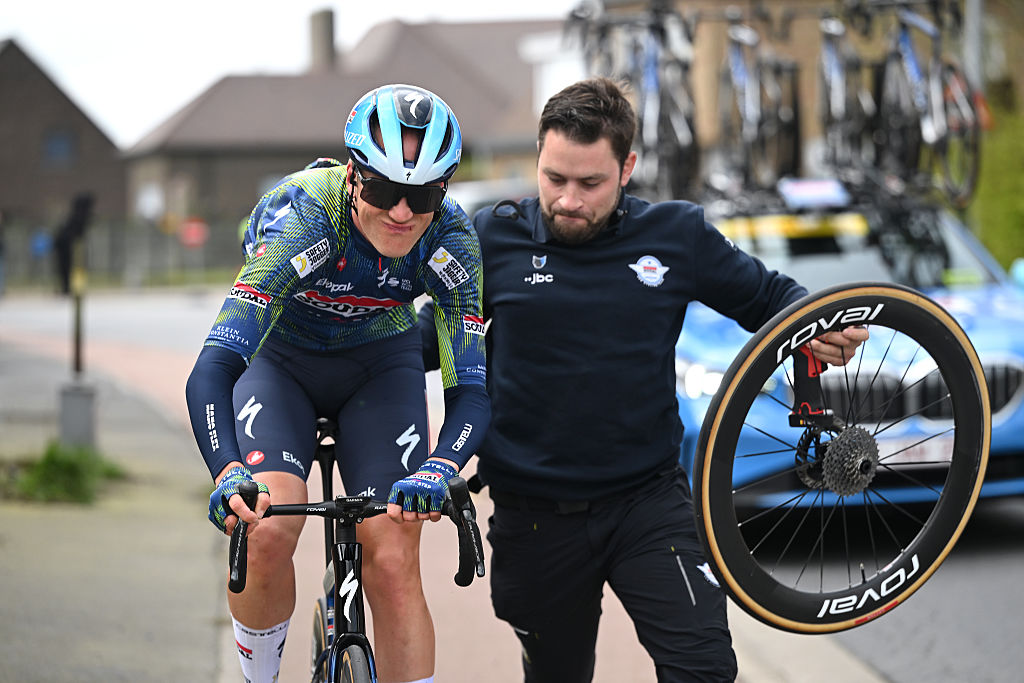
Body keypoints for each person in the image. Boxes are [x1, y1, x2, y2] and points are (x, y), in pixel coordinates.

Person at [419, 77, 867, 682]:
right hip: (532, 516)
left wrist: (824, 325)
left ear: (627, 167)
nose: (568, 200)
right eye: (555, 179)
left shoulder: (675, 236)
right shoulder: (491, 237)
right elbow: (422, 342)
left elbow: (769, 297)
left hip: (646, 502)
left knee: (704, 668)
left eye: (590, 183)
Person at [185, 83, 489, 683]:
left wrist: (441, 468)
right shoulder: (303, 220)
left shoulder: (453, 241)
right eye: (382, 189)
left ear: (445, 190)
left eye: (423, 194)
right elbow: (213, 370)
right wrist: (226, 472)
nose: (402, 212)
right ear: (353, 175)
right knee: (265, 528)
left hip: (381, 366)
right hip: (283, 364)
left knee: (396, 554)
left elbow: (472, 390)